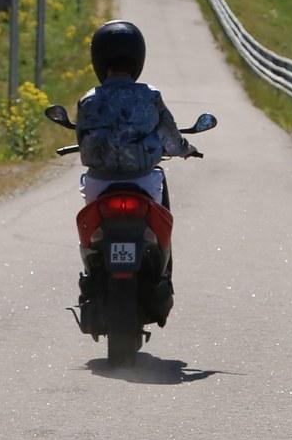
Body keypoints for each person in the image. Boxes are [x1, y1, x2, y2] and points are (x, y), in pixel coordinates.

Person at [74, 20, 199, 305]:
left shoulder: (88, 101)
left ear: (99, 59)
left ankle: (91, 271)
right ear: (138, 59)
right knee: (161, 200)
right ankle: (164, 270)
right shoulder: (150, 96)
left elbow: (82, 138)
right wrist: (186, 150)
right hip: (143, 180)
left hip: (99, 183)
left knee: (92, 236)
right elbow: (170, 139)